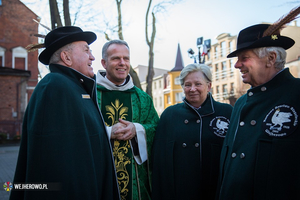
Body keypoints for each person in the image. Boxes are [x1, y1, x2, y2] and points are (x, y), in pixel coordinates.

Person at [10, 26, 120, 200]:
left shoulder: (74, 88)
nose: (92, 57)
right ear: (66, 57)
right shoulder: (55, 87)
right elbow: (56, 170)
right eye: (86, 51)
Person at [216, 20, 300, 199]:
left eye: (244, 58)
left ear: (271, 59)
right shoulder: (240, 103)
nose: (237, 65)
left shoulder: (297, 94)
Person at [151, 63, 233, 200]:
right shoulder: (170, 115)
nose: (192, 89)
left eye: (198, 84)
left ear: (209, 86)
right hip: (180, 192)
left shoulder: (226, 112)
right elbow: (159, 162)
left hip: (215, 192)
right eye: (187, 85)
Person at [96, 39, 159, 200]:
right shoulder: (89, 95)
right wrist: (108, 132)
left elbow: (156, 128)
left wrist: (137, 129)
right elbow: (78, 130)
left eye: (126, 58)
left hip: (136, 181)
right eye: (116, 58)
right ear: (104, 62)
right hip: (98, 176)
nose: (122, 63)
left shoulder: (142, 98)